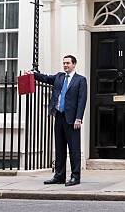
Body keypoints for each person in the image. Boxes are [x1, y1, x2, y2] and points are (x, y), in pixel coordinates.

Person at [33, 55, 87, 186]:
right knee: (59, 148)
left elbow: (82, 100)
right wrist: (33, 74)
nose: (65, 65)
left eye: (68, 63)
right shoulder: (59, 77)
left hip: (72, 119)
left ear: (74, 64)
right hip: (59, 116)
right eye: (64, 63)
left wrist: (78, 118)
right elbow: (45, 78)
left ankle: (75, 176)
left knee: (74, 149)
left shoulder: (80, 80)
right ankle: (59, 176)